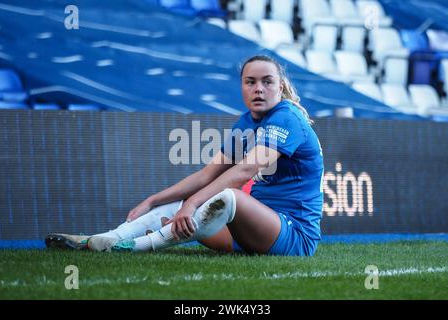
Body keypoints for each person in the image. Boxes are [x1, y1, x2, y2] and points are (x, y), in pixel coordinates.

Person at [45, 55, 324, 256]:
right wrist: (154, 200)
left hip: (293, 236)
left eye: (267, 82)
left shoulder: (287, 117)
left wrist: (191, 205)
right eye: (250, 82)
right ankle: (103, 239)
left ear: (280, 86)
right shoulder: (245, 122)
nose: (258, 89)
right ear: (241, 87)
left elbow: (243, 172)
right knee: (177, 206)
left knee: (229, 198)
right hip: (249, 235)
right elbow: (207, 174)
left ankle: (130, 247)